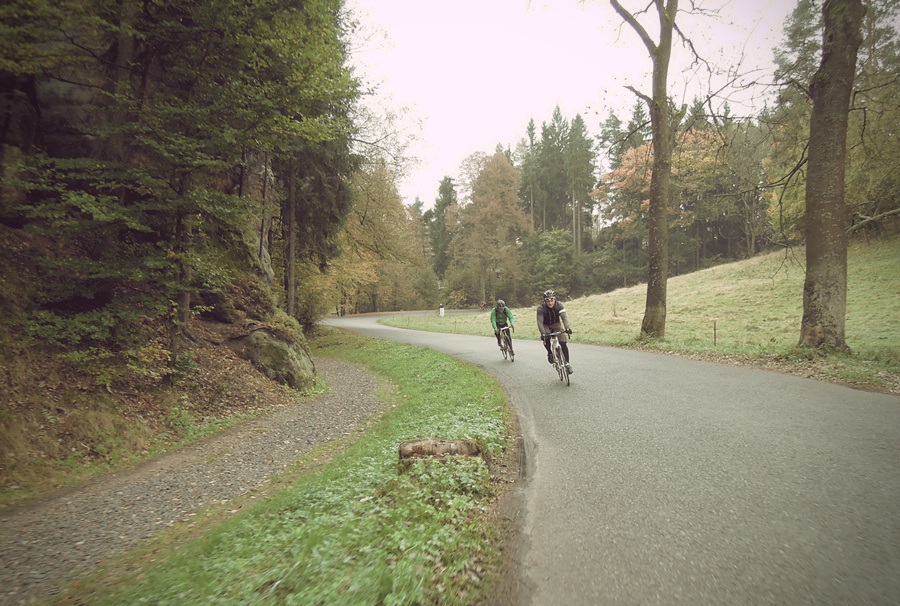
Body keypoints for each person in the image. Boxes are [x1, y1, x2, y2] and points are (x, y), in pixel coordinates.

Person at [536, 289, 573, 373]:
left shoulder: (559, 305)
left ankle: (567, 364)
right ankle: (550, 353)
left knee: (563, 343)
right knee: (547, 337)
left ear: (555, 299)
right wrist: (543, 333)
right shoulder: (541, 308)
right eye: (547, 300)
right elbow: (540, 322)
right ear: (544, 301)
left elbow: (564, 318)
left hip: (556, 323)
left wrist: (567, 328)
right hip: (545, 324)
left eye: (551, 300)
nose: (550, 302)